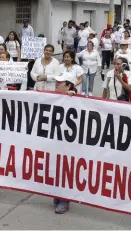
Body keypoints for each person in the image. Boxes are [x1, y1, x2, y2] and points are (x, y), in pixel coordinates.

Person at [52, 73, 78, 214]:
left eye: (60, 82)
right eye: (57, 81)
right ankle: (57, 196)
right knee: (54, 169)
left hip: (69, 144)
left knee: (65, 170)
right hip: (55, 140)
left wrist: (73, 95)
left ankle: (64, 200)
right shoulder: (53, 97)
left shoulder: (75, 98)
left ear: (69, 86)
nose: (57, 83)